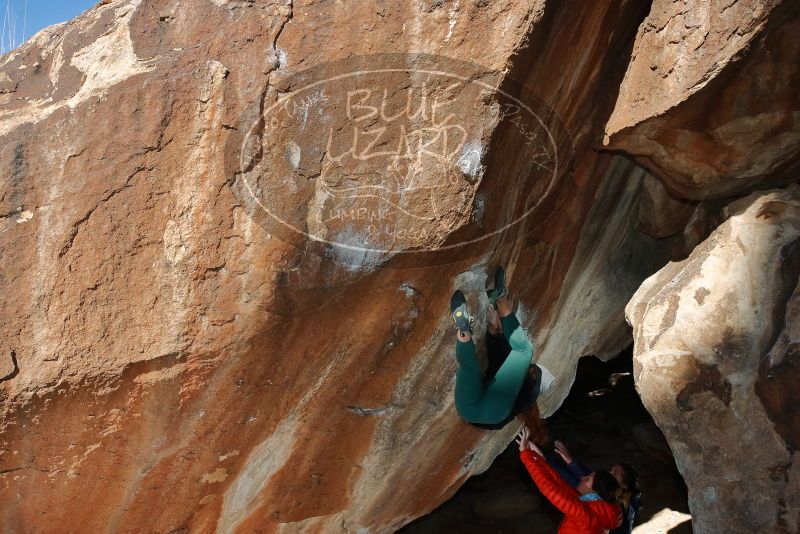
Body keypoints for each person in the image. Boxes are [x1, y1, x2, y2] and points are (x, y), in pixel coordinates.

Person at [450, 267, 554, 429]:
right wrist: (494, 329)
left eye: (533, 370)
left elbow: (508, 355)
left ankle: (498, 295)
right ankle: (463, 329)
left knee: (524, 350)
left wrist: (498, 328)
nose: (531, 369)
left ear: (535, 378)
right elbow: (498, 359)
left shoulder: (528, 389)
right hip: (468, 411)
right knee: (468, 366)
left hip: (492, 406)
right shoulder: (516, 402)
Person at [516, 426, 622, 534]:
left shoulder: (588, 516)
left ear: (595, 492)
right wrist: (539, 460)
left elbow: (551, 490)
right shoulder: (595, 509)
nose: (582, 477)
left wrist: (526, 454)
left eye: (588, 479)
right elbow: (561, 487)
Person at [553, 441, 642, 534]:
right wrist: (570, 461)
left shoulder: (620, 507)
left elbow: (589, 479)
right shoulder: (618, 495)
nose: (609, 474)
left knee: (573, 483)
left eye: (615, 474)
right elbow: (590, 478)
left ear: (625, 485)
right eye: (611, 470)